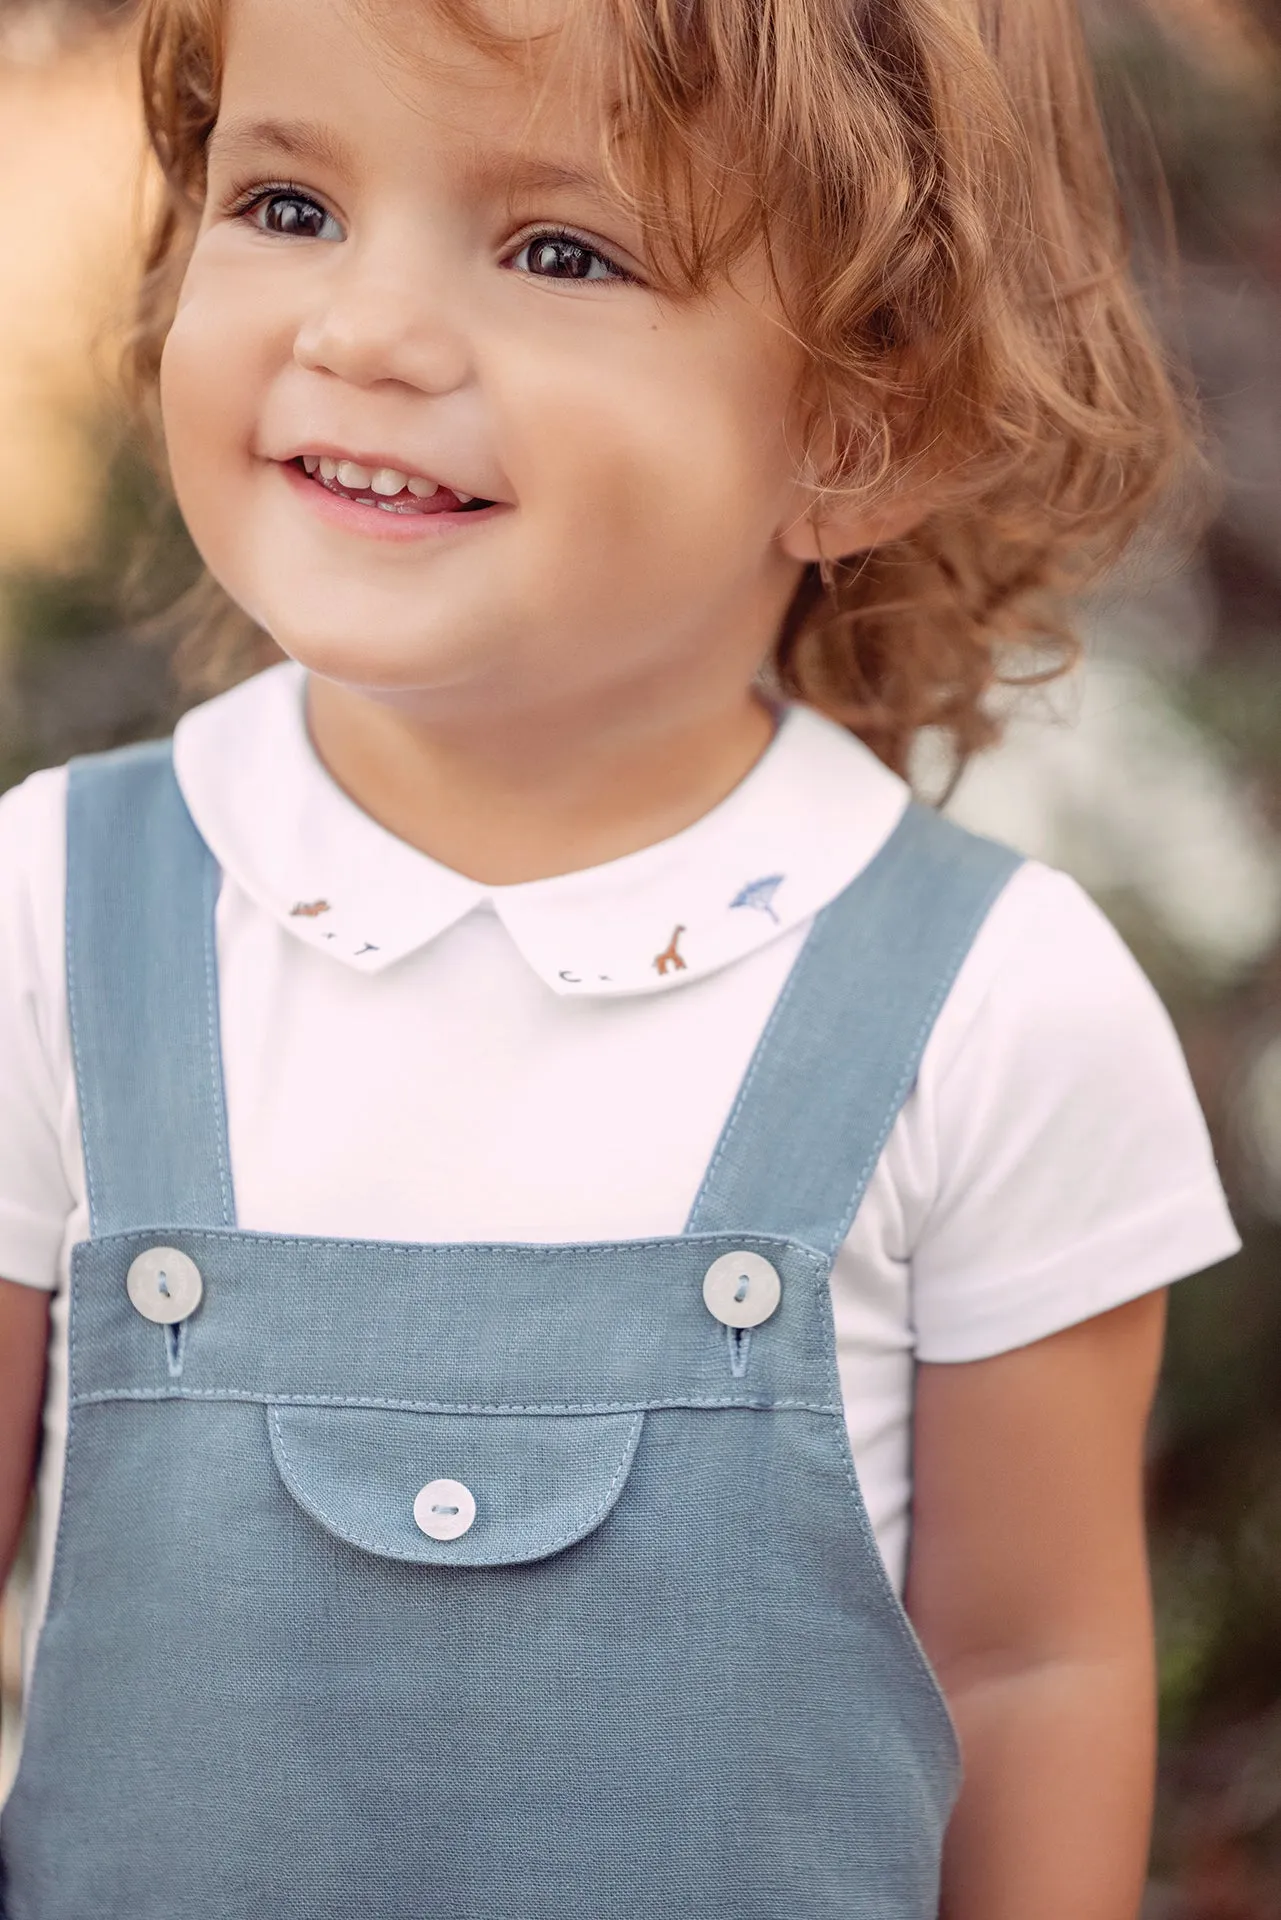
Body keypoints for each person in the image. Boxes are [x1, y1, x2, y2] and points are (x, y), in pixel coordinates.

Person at [0, 0, 1241, 1914]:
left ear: (858, 424)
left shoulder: (992, 1007)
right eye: (288, 202)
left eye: (560, 250)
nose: (363, 333)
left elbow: (1034, 1671)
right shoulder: (53, 917)